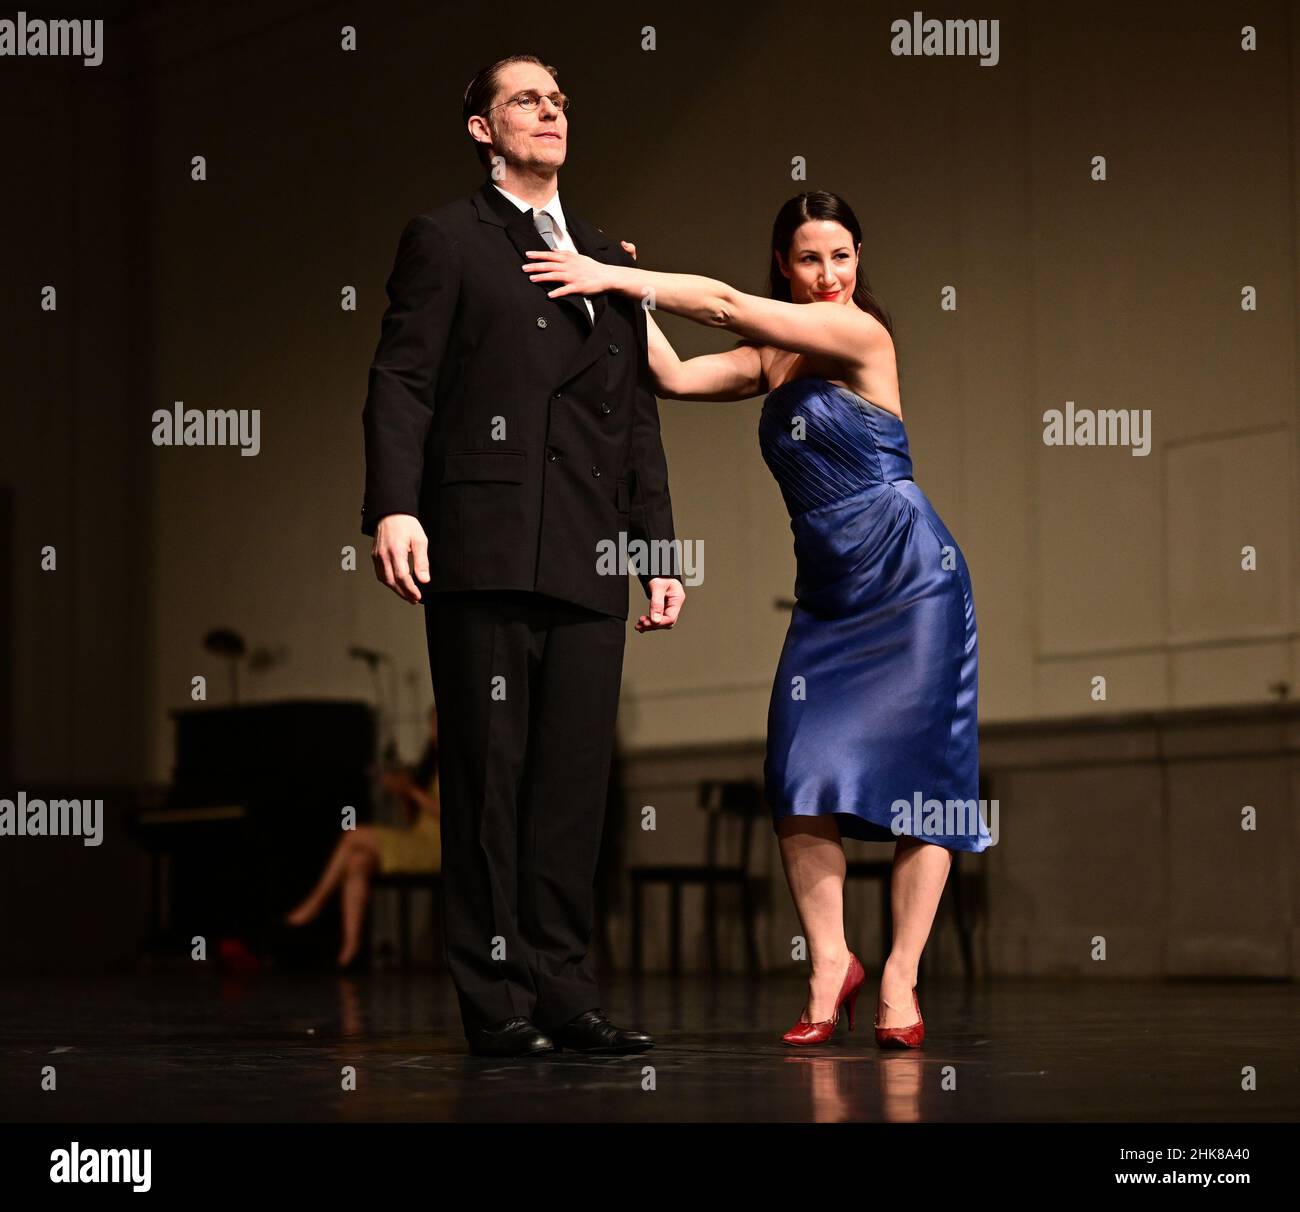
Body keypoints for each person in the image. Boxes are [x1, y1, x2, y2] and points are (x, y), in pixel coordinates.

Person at [522, 189, 993, 1049]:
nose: (828, 275)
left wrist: (618, 272)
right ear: (786, 261)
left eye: (843, 256)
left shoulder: (861, 336)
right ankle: (830, 964)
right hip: (828, 599)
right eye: (810, 259)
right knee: (798, 773)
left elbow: (728, 303)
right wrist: (624, 296)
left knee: (930, 788)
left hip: (914, 583)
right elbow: (670, 374)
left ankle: (899, 977)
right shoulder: (771, 358)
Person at [359, 54, 684, 1057]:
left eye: (557, 102)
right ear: (480, 129)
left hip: (587, 555)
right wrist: (393, 508)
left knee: (571, 787)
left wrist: (657, 548)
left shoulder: (603, 253)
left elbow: (631, 418)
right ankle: (495, 999)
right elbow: (402, 380)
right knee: (489, 780)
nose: (548, 113)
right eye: (524, 100)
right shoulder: (448, 239)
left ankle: (563, 990)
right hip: (484, 543)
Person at [283, 707, 442, 968]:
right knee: (357, 861)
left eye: (438, 727)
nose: (433, 734)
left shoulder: (463, 766)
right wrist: (403, 793)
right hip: (418, 836)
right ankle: (350, 950)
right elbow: (414, 818)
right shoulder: (431, 767)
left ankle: (315, 904)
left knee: (354, 835)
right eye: (432, 727)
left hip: (439, 846)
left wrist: (411, 790)